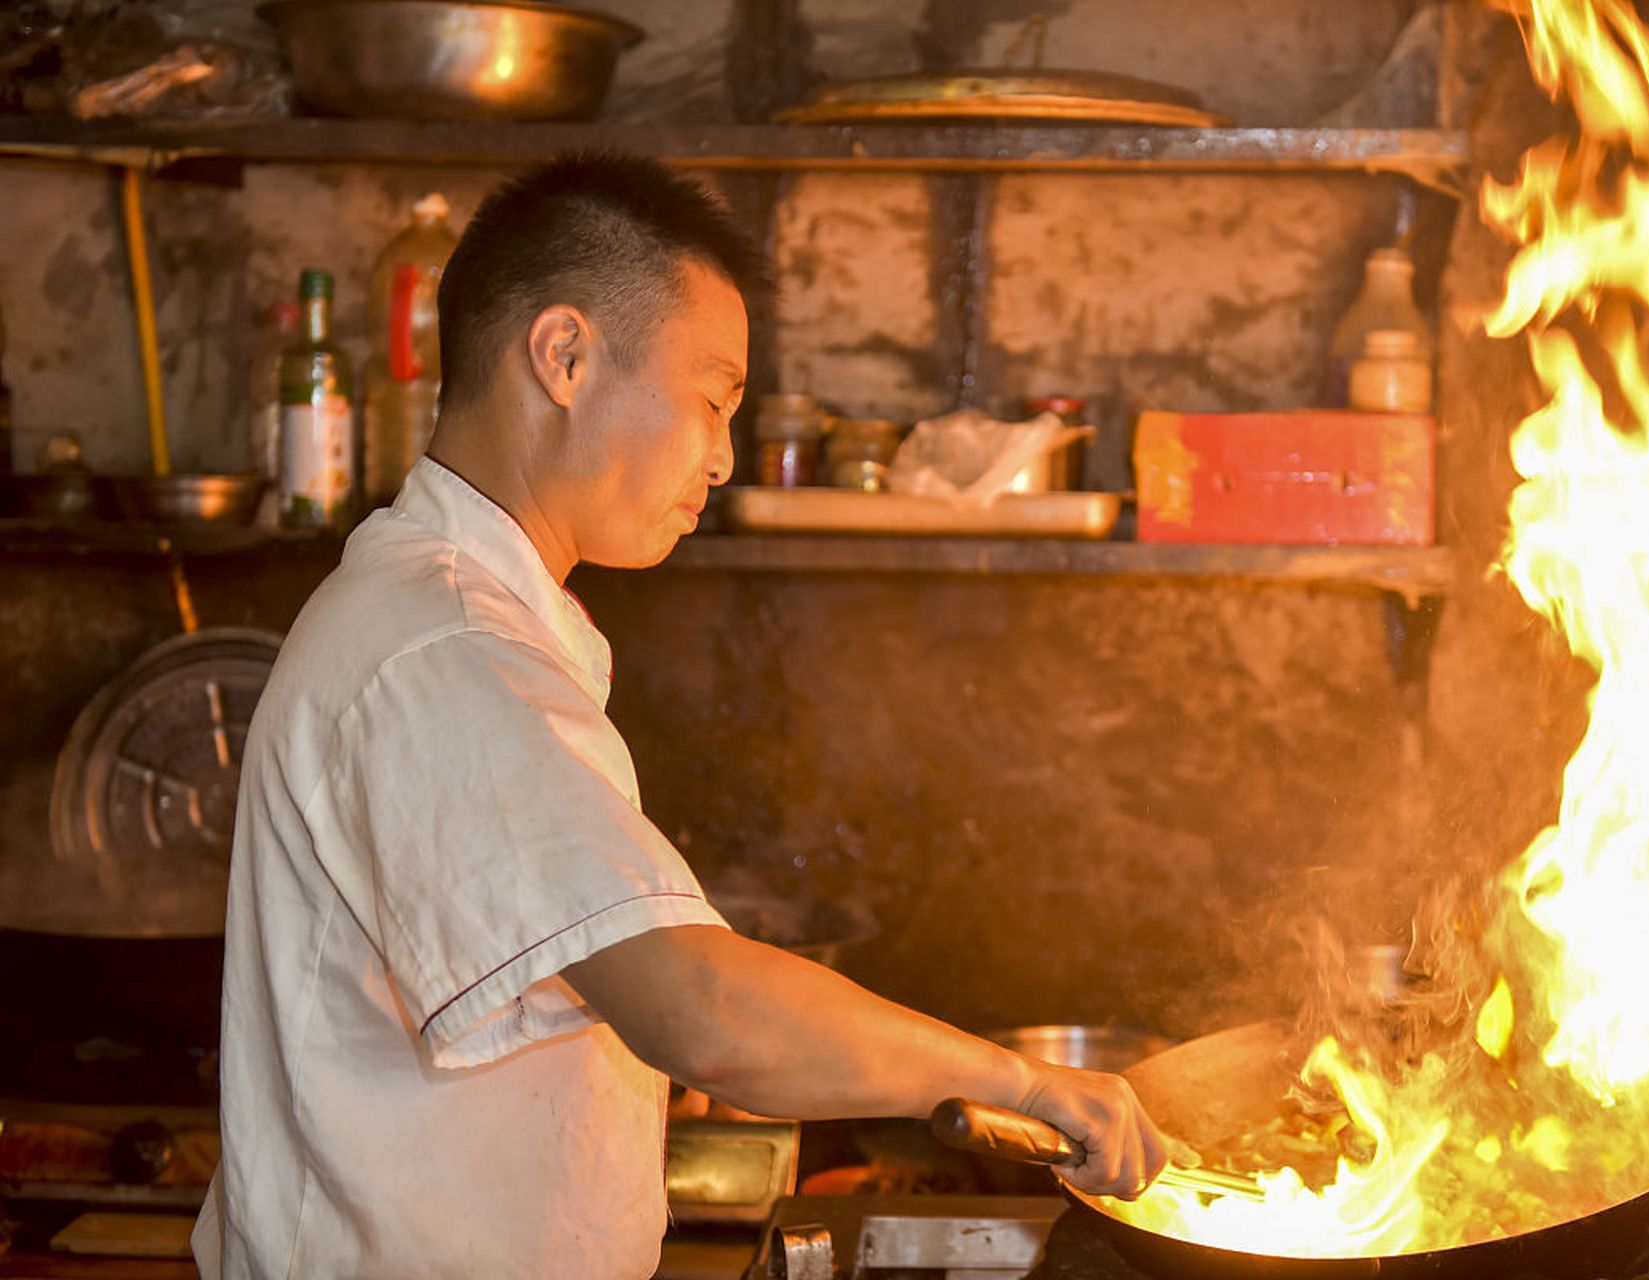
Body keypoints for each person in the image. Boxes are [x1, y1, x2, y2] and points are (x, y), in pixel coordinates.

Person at [192, 153, 1175, 1278]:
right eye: (712, 398)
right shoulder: (443, 647)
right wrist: (1025, 1081)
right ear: (563, 354)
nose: (721, 455)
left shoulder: (459, 619)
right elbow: (705, 1006)